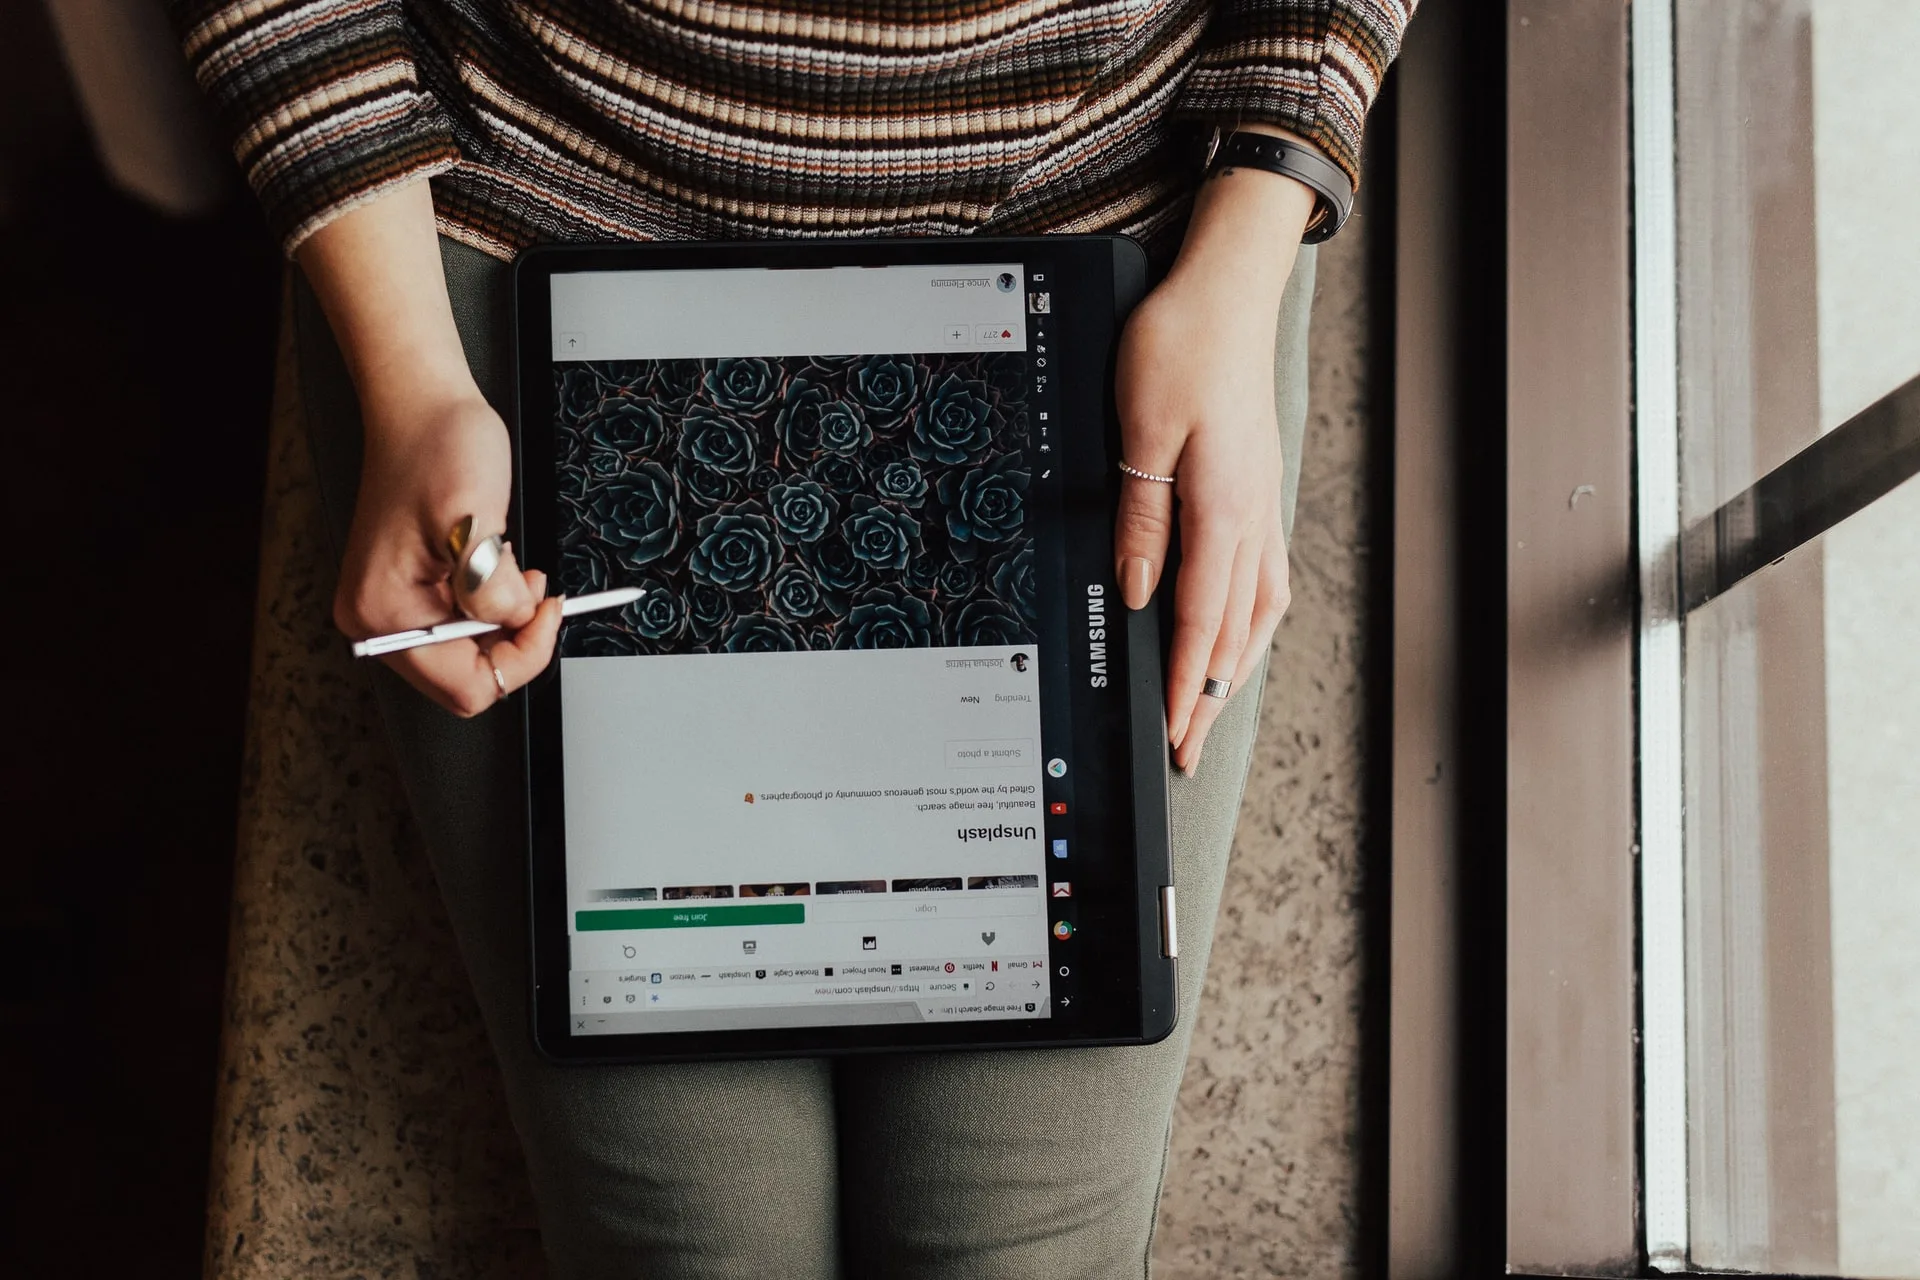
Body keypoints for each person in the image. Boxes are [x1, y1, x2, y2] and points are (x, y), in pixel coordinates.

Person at [176, 0, 1411, 1273]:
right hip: (530, 190)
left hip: (1106, 208)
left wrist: (1252, 238)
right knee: (691, 1237)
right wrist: (407, 371)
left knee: (1024, 1241)